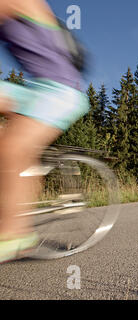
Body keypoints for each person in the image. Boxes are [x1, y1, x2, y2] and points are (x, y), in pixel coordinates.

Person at [0, 0, 89, 263]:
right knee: (12, 152)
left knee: (12, 149)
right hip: (34, 89)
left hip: (62, 90)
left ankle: (15, 233)